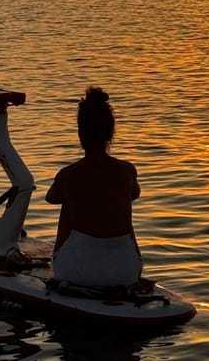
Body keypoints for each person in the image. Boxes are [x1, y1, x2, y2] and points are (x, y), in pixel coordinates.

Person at [45, 86, 142, 287]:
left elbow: (51, 197)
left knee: (67, 203)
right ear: (110, 132)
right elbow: (134, 195)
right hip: (125, 272)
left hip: (76, 271)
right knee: (119, 201)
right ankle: (135, 258)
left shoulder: (69, 174)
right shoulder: (127, 171)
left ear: (80, 134)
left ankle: (60, 260)